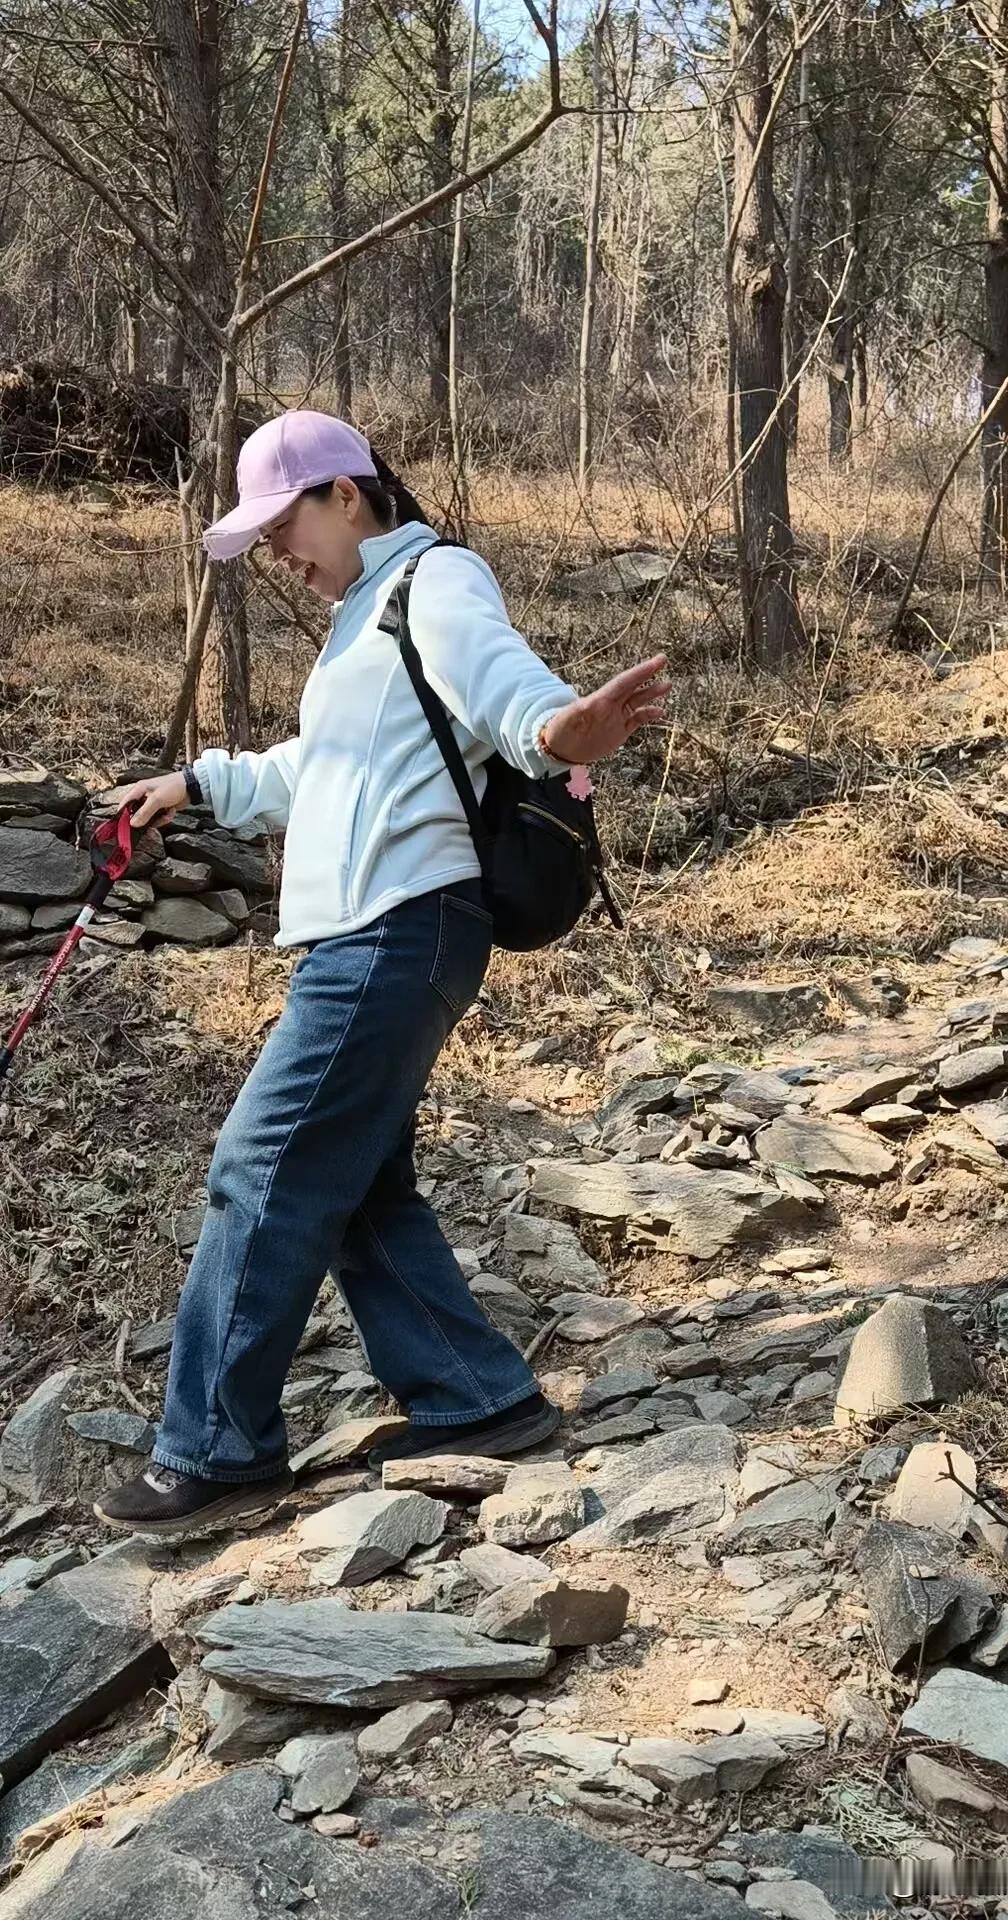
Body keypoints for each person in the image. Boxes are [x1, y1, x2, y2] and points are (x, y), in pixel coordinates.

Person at [95, 409, 670, 1538]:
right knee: (354, 1183)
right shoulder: (362, 620)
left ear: (346, 495)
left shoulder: (439, 582)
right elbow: (325, 767)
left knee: (259, 1165)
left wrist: (563, 729)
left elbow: (509, 693)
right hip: (372, 936)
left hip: (396, 932)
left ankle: (216, 1447)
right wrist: (197, 784)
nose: (274, 554)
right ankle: (476, 1398)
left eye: (282, 525)